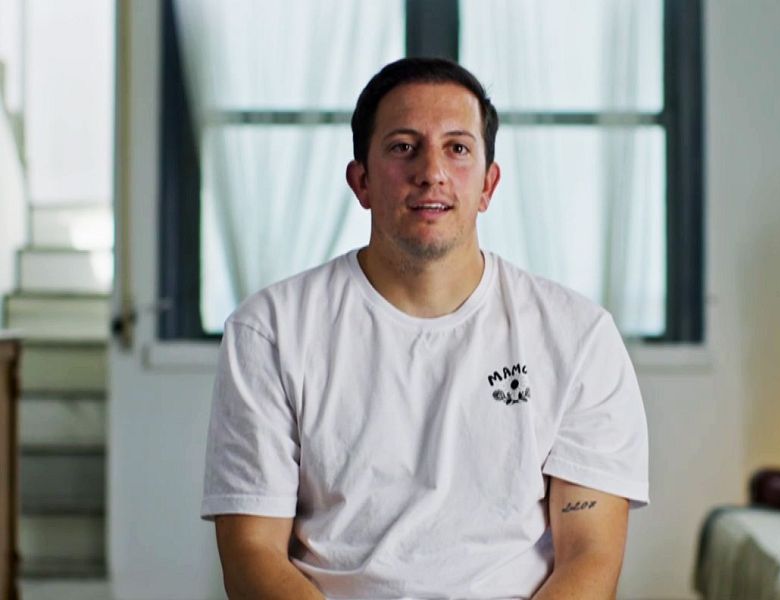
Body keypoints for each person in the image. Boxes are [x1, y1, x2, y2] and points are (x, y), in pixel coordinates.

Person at [202, 57, 649, 600]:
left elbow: (590, 555)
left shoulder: (578, 338)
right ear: (361, 181)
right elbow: (251, 552)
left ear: (488, 184)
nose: (431, 171)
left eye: (457, 148)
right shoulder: (269, 331)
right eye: (403, 147)